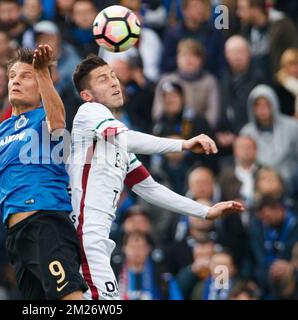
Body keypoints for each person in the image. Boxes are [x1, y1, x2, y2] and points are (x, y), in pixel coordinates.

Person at [68, 54, 244, 300]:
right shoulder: (89, 112)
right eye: (102, 79)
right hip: (83, 239)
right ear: (87, 95)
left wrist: (205, 211)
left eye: (113, 75)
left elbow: (151, 189)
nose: (113, 82)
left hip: (92, 242)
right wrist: (183, 144)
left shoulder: (114, 142)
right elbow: (128, 138)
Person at [0, 46, 88, 300]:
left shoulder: (46, 116)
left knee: (69, 297)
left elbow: (58, 123)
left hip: (45, 222)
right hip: (16, 233)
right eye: (12, 75)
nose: (15, 80)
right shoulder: (3, 129)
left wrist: (43, 73)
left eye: (26, 76)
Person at [240, 84, 298, 183]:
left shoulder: (292, 127)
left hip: (289, 179)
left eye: (267, 104)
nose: (262, 109)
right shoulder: (246, 132)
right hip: (257, 181)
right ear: (252, 108)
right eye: (258, 105)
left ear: (274, 104)